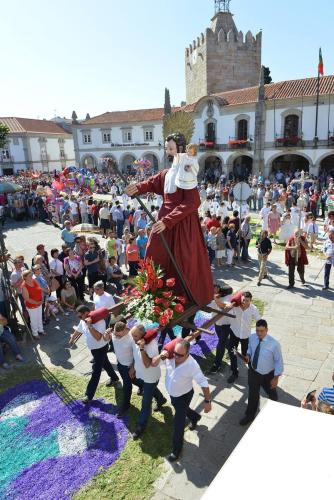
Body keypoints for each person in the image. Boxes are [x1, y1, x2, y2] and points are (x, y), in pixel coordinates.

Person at [125, 132, 214, 306]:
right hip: (164, 219)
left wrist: (168, 221)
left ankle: (183, 294)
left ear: (180, 148)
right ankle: (155, 289)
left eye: (171, 147)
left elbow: (193, 201)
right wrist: (137, 188)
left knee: (182, 258)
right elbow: (152, 183)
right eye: (166, 147)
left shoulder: (187, 170)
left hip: (181, 222)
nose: (168, 150)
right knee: (155, 251)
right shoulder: (166, 172)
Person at [153, 339, 212, 462]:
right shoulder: (170, 356)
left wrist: (207, 401)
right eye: (175, 353)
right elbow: (156, 361)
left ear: (188, 353)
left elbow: (203, 383)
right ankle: (195, 417)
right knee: (182, 410)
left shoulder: (192, 365)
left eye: (180, 355)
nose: (176, 357)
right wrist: (161, 356)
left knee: (178, 424)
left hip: (184, 396)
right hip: (173, 395)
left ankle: (176, 450)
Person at [69, 305, 119, 403]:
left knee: (96, 371)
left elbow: (98, 337)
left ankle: (89, 395)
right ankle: (114, 378)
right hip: (94, 349)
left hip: (100, 348)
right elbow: (78, 329)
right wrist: (72, 338)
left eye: (80, 316)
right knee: (105, 363)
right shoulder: (83, 321)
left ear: (86, 313)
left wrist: (90, 325)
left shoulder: (99, 322)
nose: (79, 318)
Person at [240, 319, 283, 425]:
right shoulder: (252, 337)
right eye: (257, 330)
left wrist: (276, 378)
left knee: (272, 394)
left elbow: (279, 362)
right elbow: (250, 349)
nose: (259, 333)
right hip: (254, 372)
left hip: (268, 375)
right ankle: (249, 416)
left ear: (267, 330)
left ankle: (274, 408)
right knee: (253, 395)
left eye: (262, 331)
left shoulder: (274, 344)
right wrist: (248, 356)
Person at [129, 324, 167, 440]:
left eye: (135, 336)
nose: (133, 338)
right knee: (151, 390)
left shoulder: (151, 345)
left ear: (143, 336)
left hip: (151, 377)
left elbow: (147, 364)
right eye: (132, 335)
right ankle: (161, 399)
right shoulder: (135, 340)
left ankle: (141, 426)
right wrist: (132, 366)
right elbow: (135, 356)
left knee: (146, 402)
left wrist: (142, 348)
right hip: (143, 376)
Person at [106, 321, 144, 417]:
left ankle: (126, 405)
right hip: (120, 364)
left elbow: (137, 354)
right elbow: (106, 338)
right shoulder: (114, 334)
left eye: (118, 334)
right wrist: (107, 335)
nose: (116, 335)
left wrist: (133, 367)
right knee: (134, 380)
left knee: (127, 385)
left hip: (128, 366)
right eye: (115, 333)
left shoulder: (131, 339)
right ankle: (157, 396)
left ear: (125, 330)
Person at [227, 291, 261, 384]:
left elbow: (259, 320)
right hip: (234, 332)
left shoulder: (253, 309)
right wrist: (229, 306)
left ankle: (252, 372)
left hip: (245, 335)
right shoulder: (235, 306)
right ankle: (234, 373)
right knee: (232, 352)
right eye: (243, 300)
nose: (244, 302)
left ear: (251, 300)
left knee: (245, 354)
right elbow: (225, 307)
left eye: (247, 301)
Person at [209, 284, 234, 373]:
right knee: (222, 340)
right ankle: (232, 349)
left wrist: (216, 299)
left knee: (221, 343)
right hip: (218, 324)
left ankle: (217, 364)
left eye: (216, 289)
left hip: (225, 325)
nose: (215, 291)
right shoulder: (214, 297)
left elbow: (223, 306)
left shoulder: (227, 298)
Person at [21, 269, 45, 338]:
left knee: (39, 317)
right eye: (30, 275)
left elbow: (40, 289)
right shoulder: (24, 286)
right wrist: (37, 302)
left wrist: (42, 299)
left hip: (39, 303)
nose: (32, 276)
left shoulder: (34, 280)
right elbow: (27, 299)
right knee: (34, 320)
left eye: (32, 275)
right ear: (25, 277)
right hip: (32, 305)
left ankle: (41, 330)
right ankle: (35, 333)